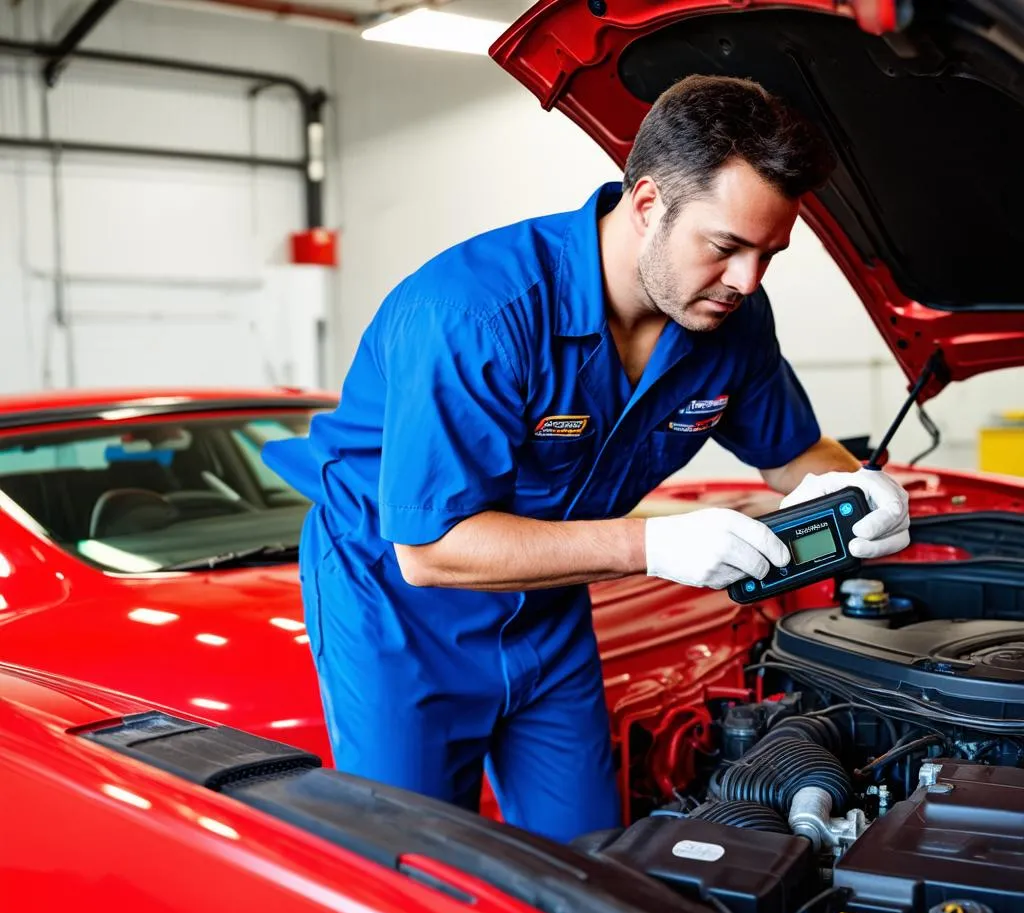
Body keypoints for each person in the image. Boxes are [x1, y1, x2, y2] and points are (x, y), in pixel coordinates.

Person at [263, 74, 911, 845]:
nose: (747, 281)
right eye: (726, 247)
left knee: (589, 858)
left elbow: (797, 456)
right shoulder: (476, 315)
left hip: (550, 595)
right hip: (399, 615)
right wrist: (653, 544)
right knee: (415, 860)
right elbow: (431, 550)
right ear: (646, 205)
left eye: (770, 254)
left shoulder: (731, 321)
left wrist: (862, 490)